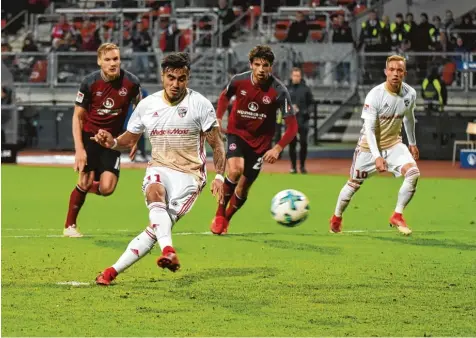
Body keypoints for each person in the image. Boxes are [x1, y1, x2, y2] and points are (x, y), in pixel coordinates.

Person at [93, 52, 226, 285]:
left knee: (154, 229)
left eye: (181, 79)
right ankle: (169, 251)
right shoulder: (147, 105)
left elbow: (217, 144)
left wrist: (220, 177)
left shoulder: (200, 104)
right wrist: (112, 142)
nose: (176, 84)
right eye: (171, 77)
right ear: (163, 76)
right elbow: (128, 139)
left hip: (190, 176)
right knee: (154, 191)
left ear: (188, 78)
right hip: (160, 167)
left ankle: (112, 271)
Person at [210, 45, 298, 235]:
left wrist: (277, 148)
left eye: (265, 65)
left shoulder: (279, 91)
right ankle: (218, 215)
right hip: (237, 133)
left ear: (270, 67)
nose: (260, 69)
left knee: (243, 189)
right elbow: (224, 97)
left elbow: (292, 126)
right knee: (234, 170)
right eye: (257, 64)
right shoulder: (239, 81)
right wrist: (218, 117)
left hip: (261, 144)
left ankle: (227, 219)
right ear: (251, 65)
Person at [329, 55, 420, 236]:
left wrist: (412, 143)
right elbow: (369, 129)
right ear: (386, 72)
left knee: (413, 173)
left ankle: (397, 215)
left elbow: (409, 118)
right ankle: (336, 218)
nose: (395, 73)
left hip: (394, 144)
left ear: (404, 73)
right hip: (368, 149)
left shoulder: (410, 94)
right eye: (392, 70)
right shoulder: (375, 95)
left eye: (399, 70)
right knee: (354, 184)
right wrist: (377, 156)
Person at [63, 43, 142, 238]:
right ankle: (69, 226)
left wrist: (135, 138)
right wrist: (79, 150)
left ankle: (81, 188)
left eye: (115, 59)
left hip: (112, 139)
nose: (112, 63)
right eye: (107, 60)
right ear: (99, 61)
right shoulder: (89, 83)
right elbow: (77, 117)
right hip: (90, 136)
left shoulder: (132, 83)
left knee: (107, 189)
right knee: (86, 179)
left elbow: (141, 113)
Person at [287, 67, 313, 174]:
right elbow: (281, 103)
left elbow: (311, 104)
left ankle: (302, 166)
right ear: (291, 76)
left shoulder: (306, 89)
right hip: (291, 121)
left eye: (298, 76)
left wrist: (305, 111)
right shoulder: (287, 89)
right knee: (291, 144)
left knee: (303, 143)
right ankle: (293, 167)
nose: (296, 78)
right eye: (294, 75)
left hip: (303, 120)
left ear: (301, 77)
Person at [124, 87, 150, 162]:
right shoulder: (127, 91)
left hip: (140, 119)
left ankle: (142, 154)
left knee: (140, 138)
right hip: (129, 119)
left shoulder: (143, 92)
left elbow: (146, 102)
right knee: (129, 138)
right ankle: (132, 156)